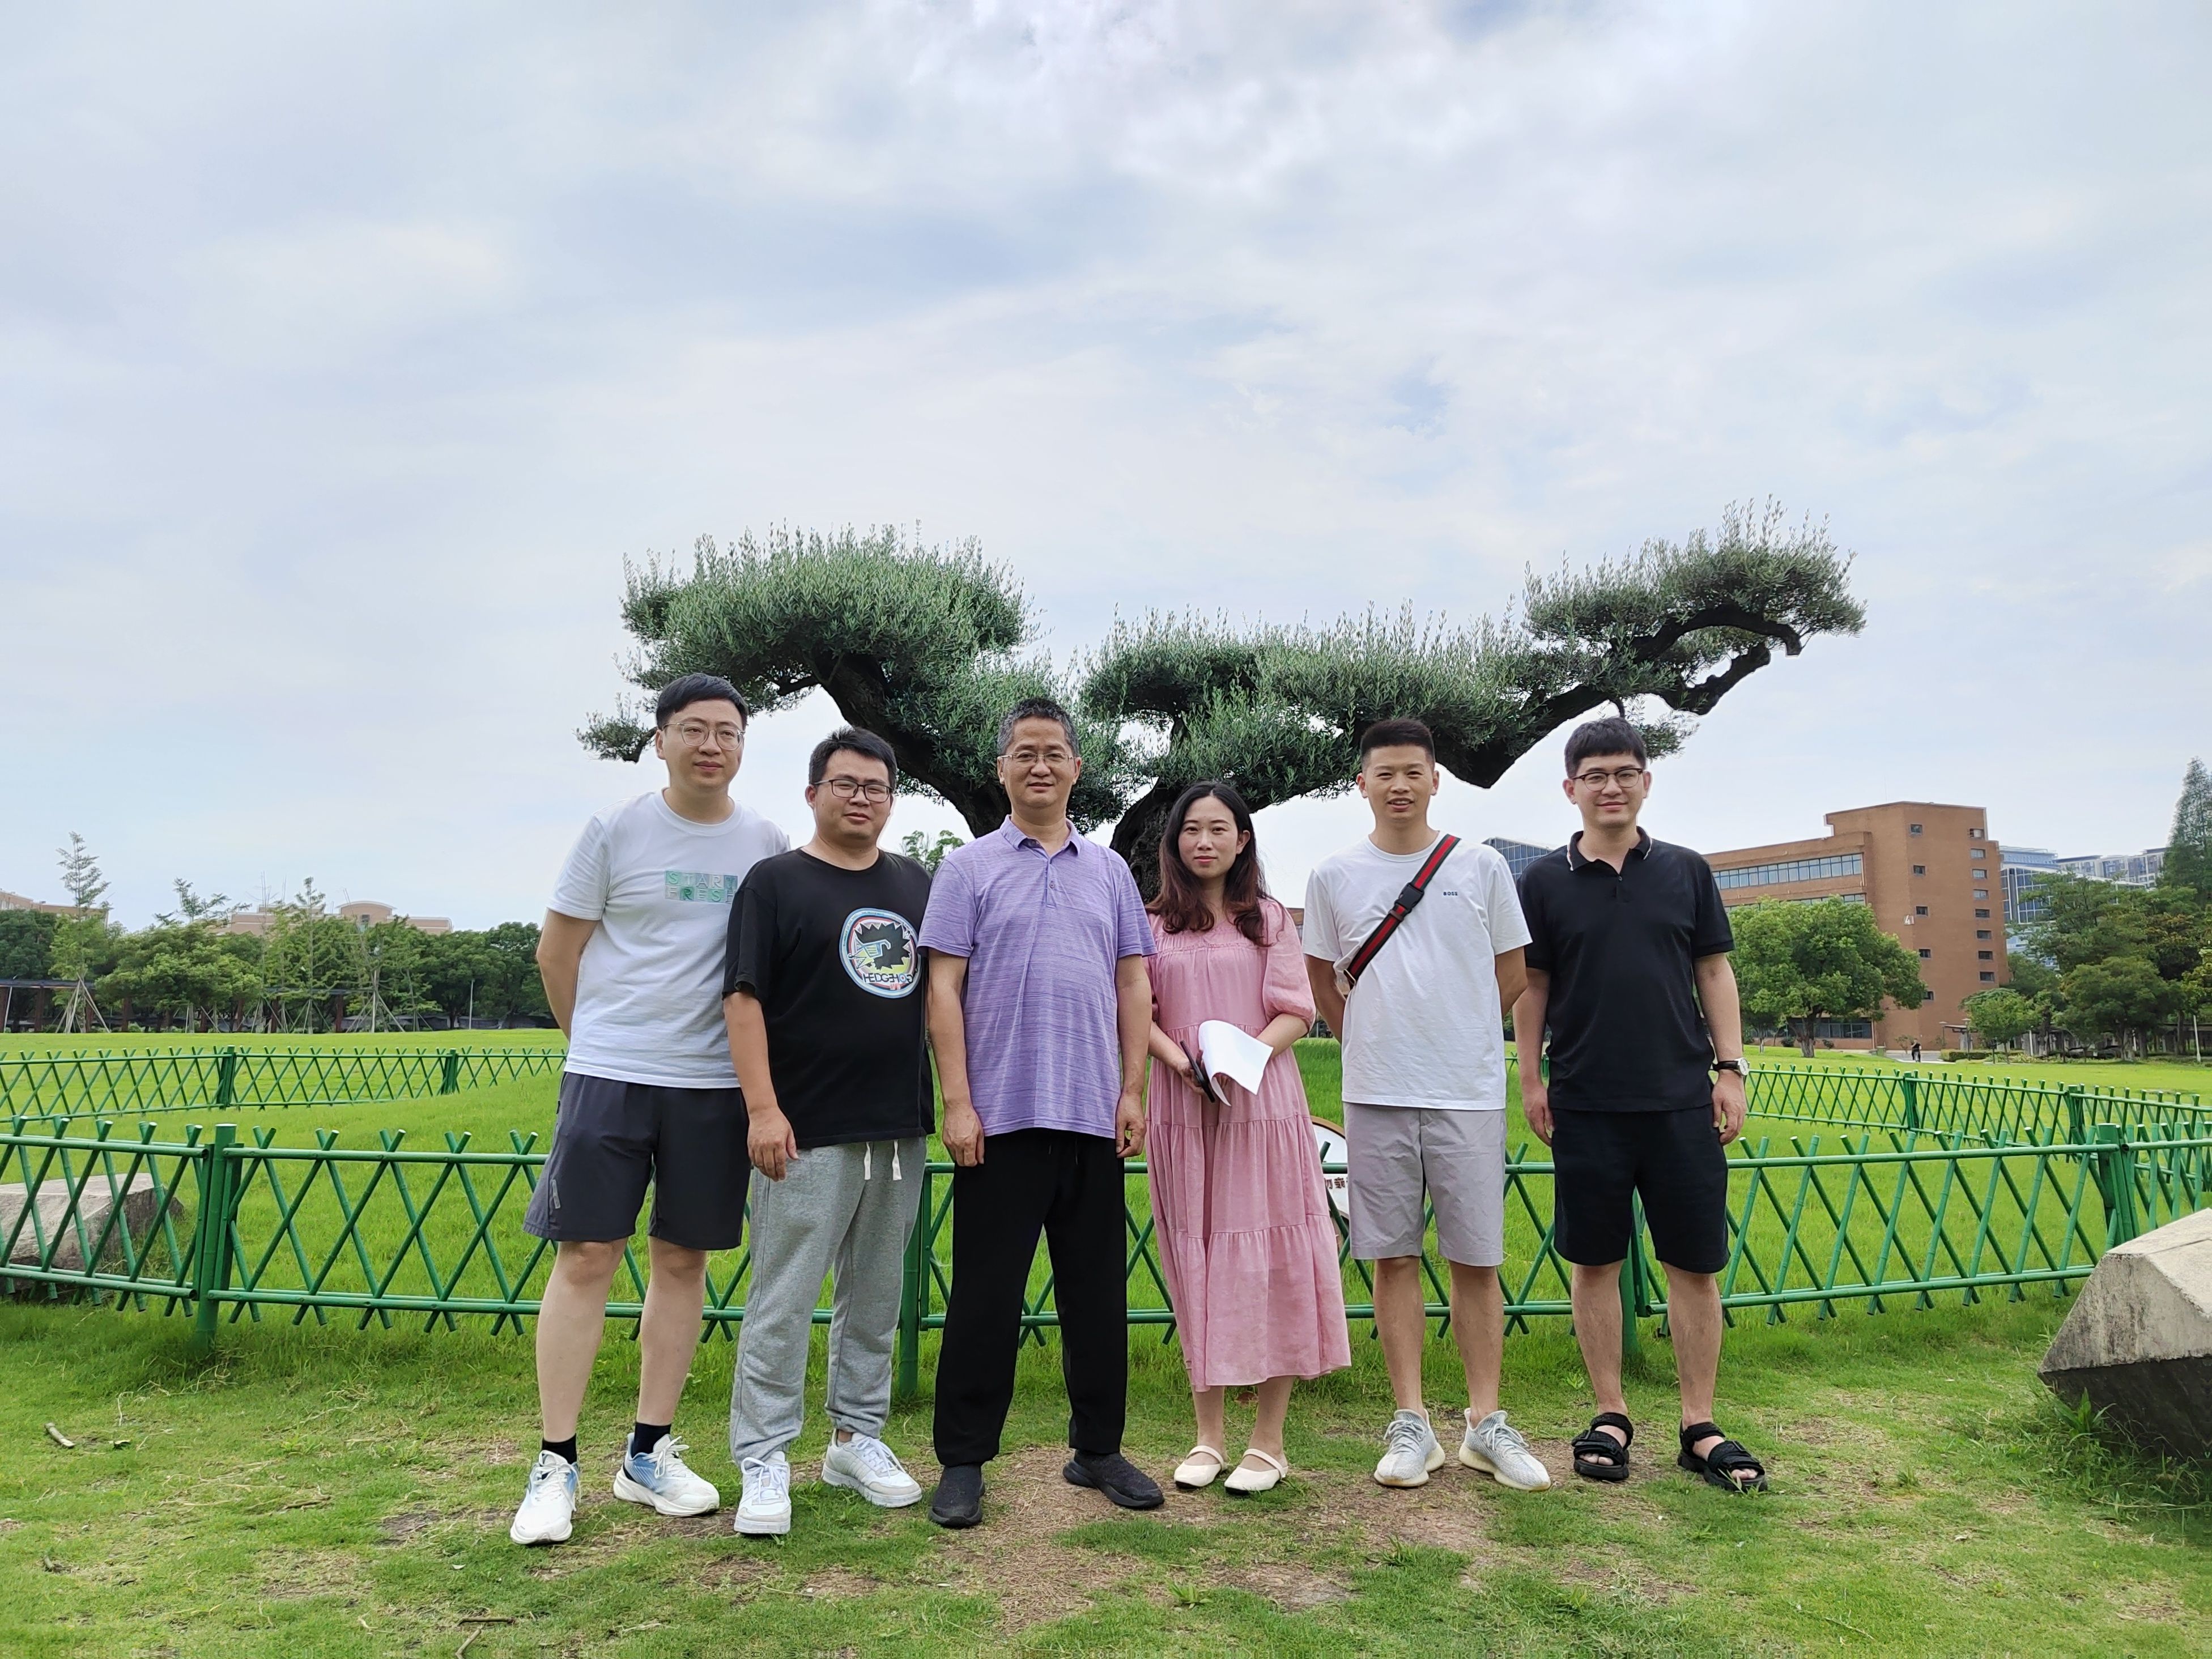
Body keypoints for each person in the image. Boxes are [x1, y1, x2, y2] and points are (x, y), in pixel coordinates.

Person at [510, 674, 789, 1547]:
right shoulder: (616, 829)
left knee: (683, 1260)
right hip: (611, 1074)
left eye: (728, 733)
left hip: (713, 1083)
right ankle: (556, 1462)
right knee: (587, 1254)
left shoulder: (765, 841)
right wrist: (593, 1043)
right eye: (694, 729)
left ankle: (648, 1452)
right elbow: (557, 951)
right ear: (660, 740)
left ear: (743, 747)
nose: (712, 746)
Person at [918, 697, 1164, 1528]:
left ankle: (1097, 1449)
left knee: (1096, 1297)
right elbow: (942, 986)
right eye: (1024, 753)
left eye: (1054, 753)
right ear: (1001, 769)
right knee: (984, 1297)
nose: (1040, 766)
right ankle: (962, 1462)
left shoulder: (1110, 871)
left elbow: (1134, 981)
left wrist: (1132, 1090)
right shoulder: (967, 868)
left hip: (1092, 1114)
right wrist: (958, 1102)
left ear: (1076, 768)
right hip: (999, 1119)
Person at [1512, 716, 1767, 1494]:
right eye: (1595, 776)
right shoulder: (1543, 882)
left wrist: (1731, 1069)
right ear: (1571, 789)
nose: (1611, 787)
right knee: (1594, 1261)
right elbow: (1532, 987)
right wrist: (1530, 1080)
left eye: (1625, 773)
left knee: (1693, 1263)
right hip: (1585, 1100)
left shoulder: (1686, 871)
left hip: (1680, 1100)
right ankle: (1611, 1412)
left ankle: (1699, 1423)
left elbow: (1714, 972)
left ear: (1646, 782)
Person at [1302, 718, 1551, 1494]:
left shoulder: (1480, 867)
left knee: (1476, 1257)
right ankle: (1410, 1421)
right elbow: (1321, 983)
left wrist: (1458, 1030)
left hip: (1466, 1093)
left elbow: (1513, 973)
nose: (1400, 785)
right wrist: (1371, 1040)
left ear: (1436, 780)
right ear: (1362, 785)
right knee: (1393, 1256)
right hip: (1376, 1092)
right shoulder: (1333, 876)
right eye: (1385, 773)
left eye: (1414, 771)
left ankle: (1486, 1423)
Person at [722, 728, 934, 1536]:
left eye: (876, 787)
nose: (861, 798)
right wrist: (763, 1109)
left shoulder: (915, 883)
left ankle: (855, 1438)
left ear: (891, 801)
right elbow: (743, 999)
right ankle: (763, 1454)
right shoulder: (775, 883)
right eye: (845, 784)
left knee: (876, 1295)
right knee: (783, 1296)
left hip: (897, 1126)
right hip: (804, 1128)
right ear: (813, 794)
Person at [1145, 782, 1350, 1496]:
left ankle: (1268, 1442)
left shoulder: (1268, 919)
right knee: (1195, 1259)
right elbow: (1134, 1009)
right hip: (1182, 1107)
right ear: (1174, 843)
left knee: (1270, 1260)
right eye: (1191, 830)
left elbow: (1296, 1009)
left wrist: (1242, 1059)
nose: (1204, 842)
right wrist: (1182, 1064)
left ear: (1242, 840)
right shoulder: (1151, 924)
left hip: (1260, 1107)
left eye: (1218, 829)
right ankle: (1207, 1437)